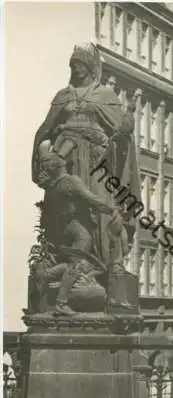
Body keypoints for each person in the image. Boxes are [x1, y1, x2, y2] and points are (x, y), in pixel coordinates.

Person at [32, 43, 141, 270]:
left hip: (96, 161)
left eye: (81, 64)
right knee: (67, 205)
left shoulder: (105, 96)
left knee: (101, 203)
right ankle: (67, 260)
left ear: (91, 67)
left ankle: (108, 261)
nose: (77, 69)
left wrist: (126, 126)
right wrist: (41, 154)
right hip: (68, 160)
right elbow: (46, 127)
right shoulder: (62, 97)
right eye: (73, 65)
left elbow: (121, 130)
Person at [37, 141, 128, 316]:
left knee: (79, 262)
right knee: (77, 263)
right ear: (60, 164)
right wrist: (111, 209)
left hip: (62, 229)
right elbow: (92, 199)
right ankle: (61, 303)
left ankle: (45, 275)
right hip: (78, 229)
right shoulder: (72, 181)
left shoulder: (53, 186)